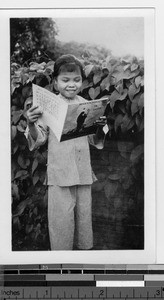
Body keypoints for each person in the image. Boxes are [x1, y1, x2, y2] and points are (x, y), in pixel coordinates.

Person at [25, 54, 107, 250]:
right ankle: (62, 266)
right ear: (55, 82)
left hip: (82, 174)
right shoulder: (48, 107)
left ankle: (81, 266)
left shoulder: (87, 105)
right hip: (60, 175)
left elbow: (96, 141)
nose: (71, 84)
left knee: (83, 222)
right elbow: (39, 139)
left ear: (82, 82)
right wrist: (30, 122)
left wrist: (99, 127)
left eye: (77, 80)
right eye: (65, 80)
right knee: (60, 223)